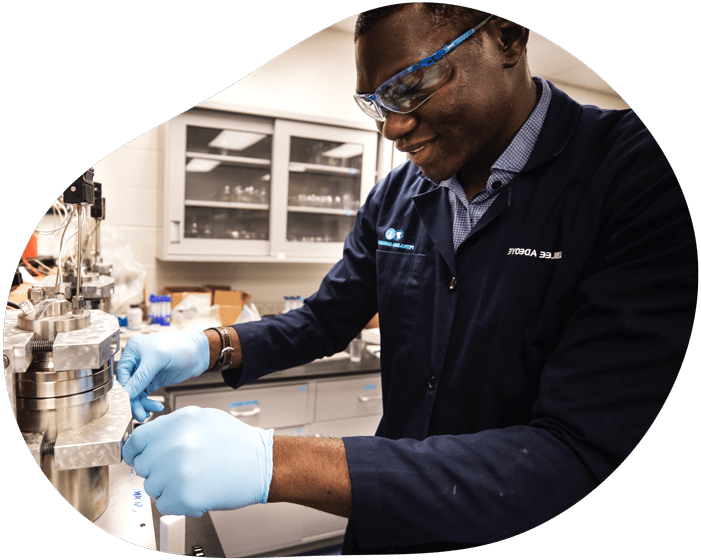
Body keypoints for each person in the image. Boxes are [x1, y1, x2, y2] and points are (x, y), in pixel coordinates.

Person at [117, 3, 697, 554]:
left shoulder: (638, 173)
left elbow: (582, 452)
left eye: (411, 86)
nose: (391, 128)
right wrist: (207, 347)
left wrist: (277, 463)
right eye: (375, 102)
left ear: (510, 38)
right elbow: (325, 320)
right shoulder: (398, 195)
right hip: (389, 517)